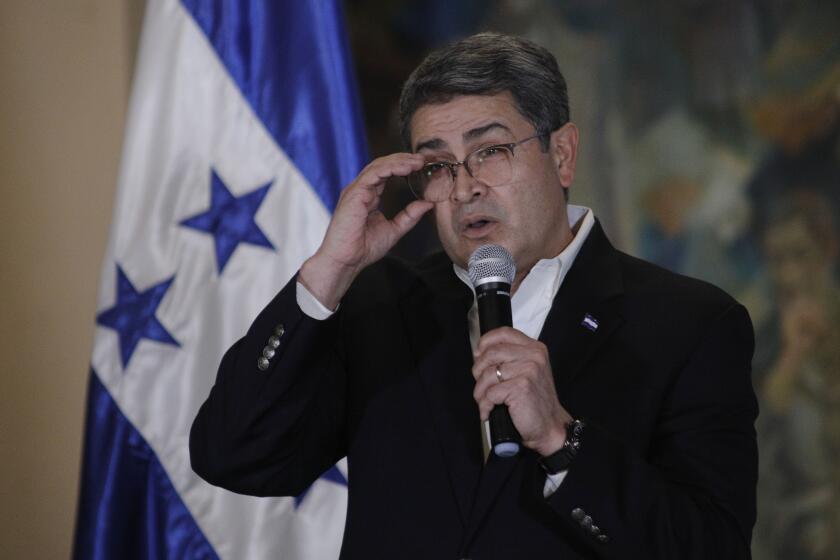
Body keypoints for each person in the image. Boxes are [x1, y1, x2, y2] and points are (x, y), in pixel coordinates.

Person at [190, 33, 758, 559]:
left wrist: (562, 440)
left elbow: (712, 547)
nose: (466, 187)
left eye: (491, 151)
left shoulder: (690, 323)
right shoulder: (381, 306)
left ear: (561, 155)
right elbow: (233, 456)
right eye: (438, 165)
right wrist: (325, 276)